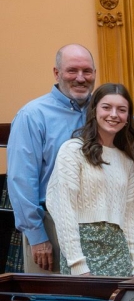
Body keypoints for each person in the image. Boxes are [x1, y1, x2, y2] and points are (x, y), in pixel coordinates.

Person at [8, 44, 97, 273]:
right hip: (50, 226)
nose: (80, 78)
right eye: (72, 71)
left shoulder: (103, 112)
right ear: (57, 73)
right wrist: (37, 236)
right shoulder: (33, 115)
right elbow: (21, 180)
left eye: (87, 71)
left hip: (96, 226)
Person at [46, 83, 134, 277]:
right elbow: (64, 210)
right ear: (94, 110)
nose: (114, 114)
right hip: (82, 252)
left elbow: (127, 217)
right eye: (106, 107)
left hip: (118, 253)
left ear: (127, 118)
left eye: (122, 110)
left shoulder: (126, 160)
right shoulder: (73, 150)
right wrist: (77, 264)